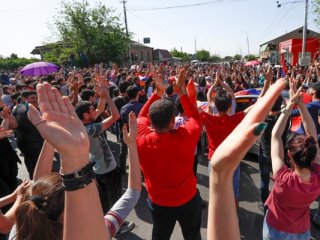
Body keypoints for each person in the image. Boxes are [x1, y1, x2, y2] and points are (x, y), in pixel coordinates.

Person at [13, 82, 141, 239]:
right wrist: (132, 145)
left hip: (98, 167)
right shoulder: (99, 232)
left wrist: (53, 137)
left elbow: (37, 187)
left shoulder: (20, 231)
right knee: (112, 198)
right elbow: (133, 193)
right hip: (105, 169)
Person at [207, 77, 287, 240]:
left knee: (217, 192)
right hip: (233, 162)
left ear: (214, 105)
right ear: (230, 105)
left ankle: (220, 217)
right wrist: (265, 89)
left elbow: (209, 97)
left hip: (213, 161)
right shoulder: (235, 119)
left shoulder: (209, 119)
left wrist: (216, 84)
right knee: (234, 192)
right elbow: (254, 108)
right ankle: (233, 216)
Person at [137, 67, 203, 240]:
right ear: (173, 121)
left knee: (160, 236)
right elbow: (196, 119)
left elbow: (140, 117)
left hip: (158, 203)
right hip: (188, 199)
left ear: (151, 121)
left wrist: (157, 93)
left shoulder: (141, 139)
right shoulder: (186, 137)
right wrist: (182, 93)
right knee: (193, 236)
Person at [262, 81, 320, 239]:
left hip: (275, 230)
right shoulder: (317, 179)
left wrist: (290, 106)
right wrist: (301, 106)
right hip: (302, 232)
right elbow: (312, 133)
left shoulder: (283, 179)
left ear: (289, 155)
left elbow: (275, 136)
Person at [8, 90, 44, 179]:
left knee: (30, 162)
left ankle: (33, 179)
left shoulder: (16, 107)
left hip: (23, 142)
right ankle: (39, 183)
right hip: (34, 143)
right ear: (24, 99)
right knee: (39, 165)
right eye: (32, 98)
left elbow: (14, 125)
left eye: (36, 98)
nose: (35, 100)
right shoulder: (32, 110)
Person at [119, 85, 143, 174]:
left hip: (127, 132)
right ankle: (141, 170)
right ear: (137, 94)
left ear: (127, 95)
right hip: (140, 133)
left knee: (124, 150)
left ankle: (122, 169)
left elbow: (123, 122)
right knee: (139, 153)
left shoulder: (124, 108)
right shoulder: (142, 107)